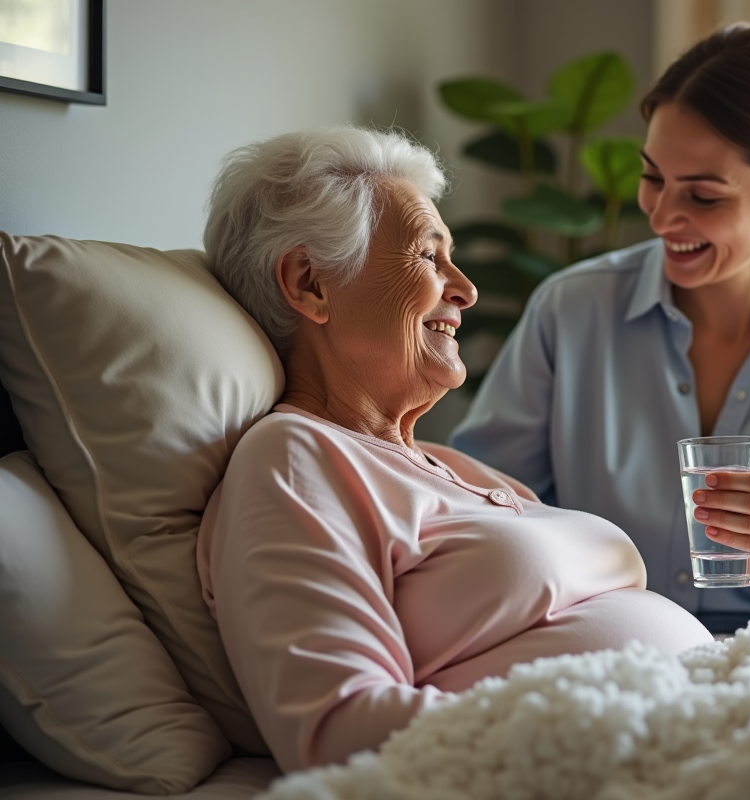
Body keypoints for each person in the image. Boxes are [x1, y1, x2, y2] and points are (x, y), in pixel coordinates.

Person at [196, 128, 714, 773]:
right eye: (427, 257)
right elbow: (336, 731)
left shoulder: (454, 465)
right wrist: (615, 726)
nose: (465, 289)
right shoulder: (295, 458)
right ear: (310, 283)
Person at [450, 24, 750, 636]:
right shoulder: (570, 313)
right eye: (653, 178)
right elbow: (481, 503)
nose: (662, 215)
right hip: (600, 649)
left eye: (703, 196)